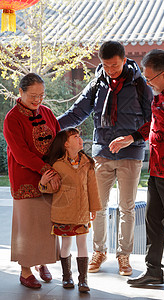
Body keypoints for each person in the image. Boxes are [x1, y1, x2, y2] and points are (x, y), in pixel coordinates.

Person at [57, 41, 153, 276]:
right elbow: (77, 113)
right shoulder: (98, 83)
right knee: (97, 207)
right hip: (102, 153)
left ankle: (124, 256)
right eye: (105, 66)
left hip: (131, 153)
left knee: (127, 208)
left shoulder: (140, 84)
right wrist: (52, 126)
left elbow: (153, 121)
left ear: (123, 59)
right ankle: (99, 251)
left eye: (114, 65)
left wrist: (130, 138)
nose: (110, 70)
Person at [109, 49, 164, 295]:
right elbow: (155, 124)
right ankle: (153, 271)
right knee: (153, 221)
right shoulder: (160, 95)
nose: (147, 83)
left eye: (149, 79)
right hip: (158, 169)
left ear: (162, 74)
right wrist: (131, 137)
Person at [3, 73, 61, 289]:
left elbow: (58, 138)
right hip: (26, 178)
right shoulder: (12, 118)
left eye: (41, 95)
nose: (38, 100)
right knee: (27, 226)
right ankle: (25, 270)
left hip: (49, 179)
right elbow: (20, 153)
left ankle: (42, 262)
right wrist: (46, 169)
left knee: (48, 224)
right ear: (21, 92)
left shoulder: (46, 112)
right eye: (33, 96)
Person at [38, 128, 102, 292]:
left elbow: (93, 188)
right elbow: (51, 189)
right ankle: (67, 277)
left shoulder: (88, 163)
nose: (80, 139)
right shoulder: (57, 164)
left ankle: (83, 280)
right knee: (65, 244)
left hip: (82, 212)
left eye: (79, 136)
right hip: (64, 213)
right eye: (75, 137)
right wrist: (44, 182)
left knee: (82, 243)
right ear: (66, 144)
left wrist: (94, 208)